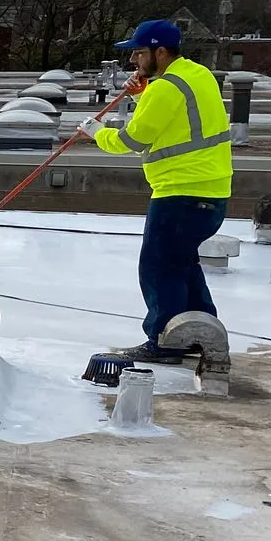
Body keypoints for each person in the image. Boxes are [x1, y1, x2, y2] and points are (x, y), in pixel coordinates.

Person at [78, 19, 233, 362]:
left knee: (159, 267)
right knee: (181, 263)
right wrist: (143, 93)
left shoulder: (165, 88)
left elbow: (132, 140)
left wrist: (95, 131)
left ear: (160, 52)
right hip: (211, 192)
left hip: (181, 192)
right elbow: (175, 116)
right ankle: (196, 333)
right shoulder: (197, 74)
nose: (133, 59)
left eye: (139, 52)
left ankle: (165, 341)